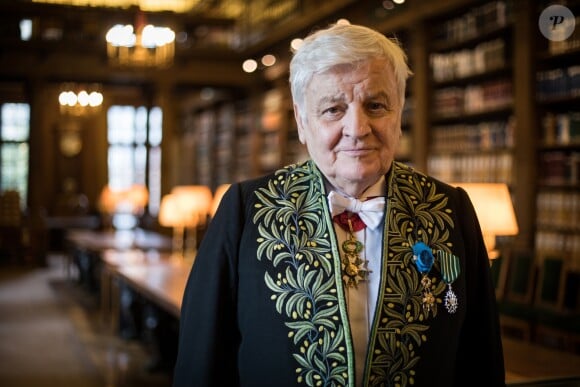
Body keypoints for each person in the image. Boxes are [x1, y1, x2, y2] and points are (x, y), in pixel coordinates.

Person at [173, 23, 506, 387]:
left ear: (399, 113)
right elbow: (200, 364)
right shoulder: (246, 210)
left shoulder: (450, 210)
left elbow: (481, 360)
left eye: (376, 105)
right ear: (302, 122)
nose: (357, 128)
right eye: (333, 109)